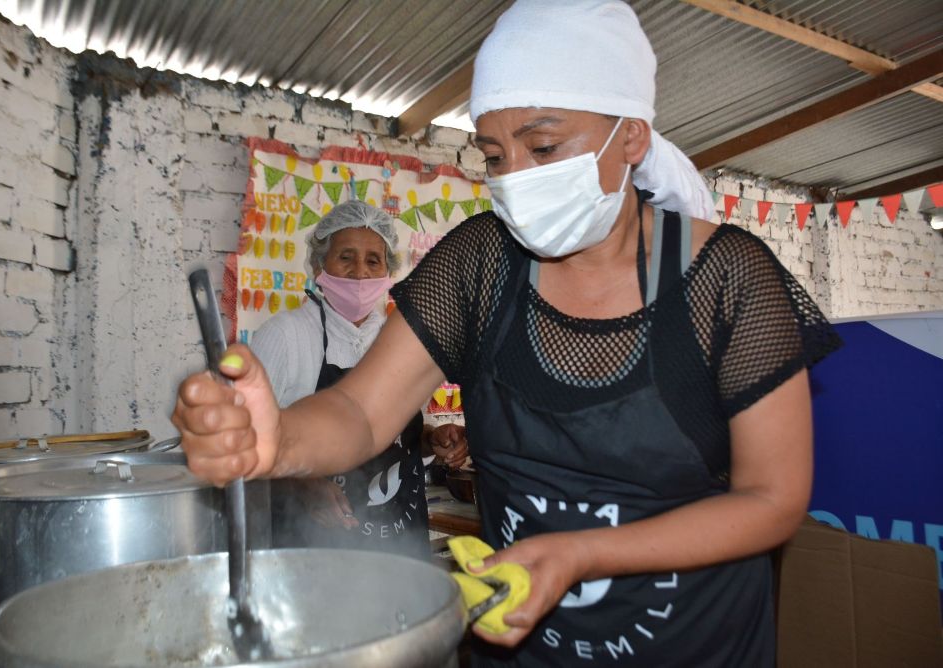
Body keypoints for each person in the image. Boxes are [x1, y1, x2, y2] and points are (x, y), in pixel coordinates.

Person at [172, 1, 841, 665]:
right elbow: (359, 411)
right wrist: (277, 439)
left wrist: (582, 553)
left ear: (632, 137)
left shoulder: (728, 279)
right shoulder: (479, 265)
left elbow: (773, 498)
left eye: (544, 146)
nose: (518, 177)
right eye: (495, 155)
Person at [248, 200, 468, 560]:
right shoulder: (285, 336)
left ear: (388, 269)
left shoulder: (400, 339)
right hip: (312, 546)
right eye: (345, 257)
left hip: (400, 543)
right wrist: (301, 484)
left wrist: (434, 440)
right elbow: (248, 440)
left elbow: (402, 434)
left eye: (372, 260)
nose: (360, 273)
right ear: (319, 264)